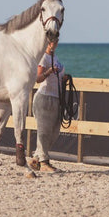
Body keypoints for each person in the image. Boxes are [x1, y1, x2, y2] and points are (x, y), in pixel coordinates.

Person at [29, 38, 64, 172]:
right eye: (51, 42)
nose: (54, 44)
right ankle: (44, 162)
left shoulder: (55, 58)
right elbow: (37, 79)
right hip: (44, 97)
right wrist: (49, 71)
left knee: (54, 131)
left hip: (55, 97)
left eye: (55, 41)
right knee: (44, 131)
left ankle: (36, 158)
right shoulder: (43, 58)